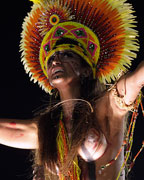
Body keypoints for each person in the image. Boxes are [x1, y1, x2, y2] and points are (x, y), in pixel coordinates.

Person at [0, 0, 144, 179]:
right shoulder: (47, 129)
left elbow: (137, 79)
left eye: (66, 54)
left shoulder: (107, 108)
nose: (55, 61)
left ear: (85, 70)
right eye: (51, 59)